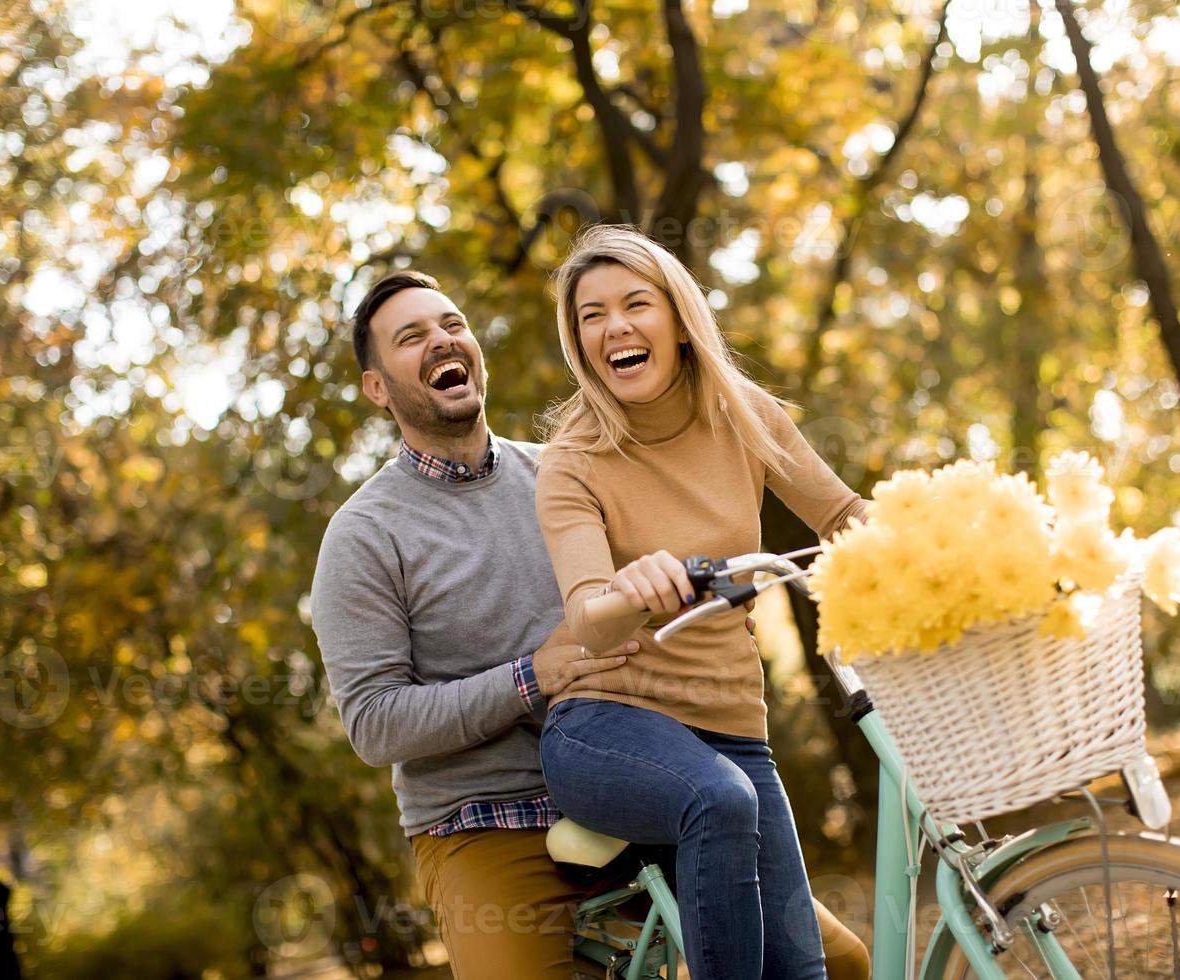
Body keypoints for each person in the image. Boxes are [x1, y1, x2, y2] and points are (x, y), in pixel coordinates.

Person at [309, 269, 871, 979]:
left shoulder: (562, 466)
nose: (441, 341)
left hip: (651, 772)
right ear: (378, 388)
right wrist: (529, 679)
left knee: (842, 963)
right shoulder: (364, 535)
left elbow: (662, 575)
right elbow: (375, 725)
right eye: (410, 337)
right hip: (487, 817)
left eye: (452, 324)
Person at [535, 225, 873, 980]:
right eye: (591, 315)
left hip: (733, 731)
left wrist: (952, 534)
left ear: (677, 318)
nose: (614, 327)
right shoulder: (572, 459)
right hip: (605, 726)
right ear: (579, 340)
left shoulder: (741, 411)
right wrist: (628, 589)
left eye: (634, 304)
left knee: (803, 971)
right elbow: (587, 616)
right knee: (718, 800)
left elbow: (842, 516)